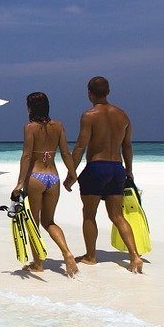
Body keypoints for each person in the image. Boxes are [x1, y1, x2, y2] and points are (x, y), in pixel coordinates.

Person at [64, 76, 144, 273]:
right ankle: (134, 256)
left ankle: (91, 256)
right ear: (108, 92)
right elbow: (127, 146)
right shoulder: (123, 115)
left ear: (89, 93)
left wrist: (71, 174)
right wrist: (129, 171)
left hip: (96, 168)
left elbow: (81, 146)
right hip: (117, 168)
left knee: (89, 214)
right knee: (117, 215)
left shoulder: (89, 115)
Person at [13, 92, 80, 276]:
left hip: (35, 177)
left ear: (29, 108)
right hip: (53, 177)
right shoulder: (58, 126)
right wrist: (73, 175)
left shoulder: (30, 128)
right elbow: (66, 153)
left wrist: (19, 183)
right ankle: (67, 253)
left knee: (33, 223)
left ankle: (38, 264)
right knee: (49, 221)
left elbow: (27, 155)